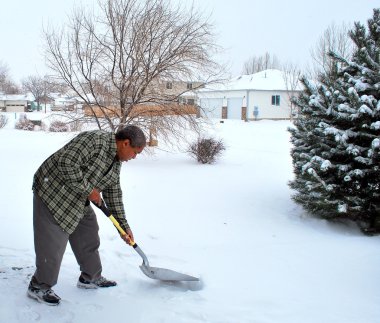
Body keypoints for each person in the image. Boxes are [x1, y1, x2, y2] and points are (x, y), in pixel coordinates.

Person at [27, 125, 146, 305]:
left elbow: (113, 193)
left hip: (77, 196)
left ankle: (90, 277)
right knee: (52, 246)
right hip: (52, 193)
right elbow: (66, 162)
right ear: (125, 143)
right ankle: (39, 286)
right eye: (135, 152)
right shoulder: (94, 141)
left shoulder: (115, 162)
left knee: (88, 233)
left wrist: (123, 226)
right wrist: (89, 190)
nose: (134, 157)